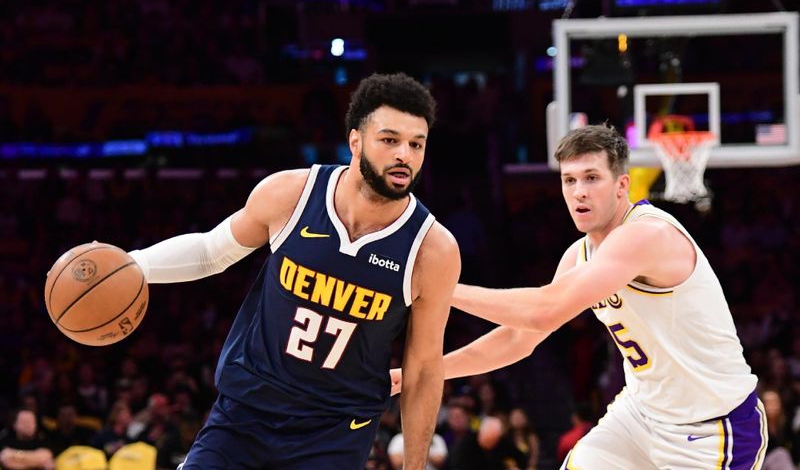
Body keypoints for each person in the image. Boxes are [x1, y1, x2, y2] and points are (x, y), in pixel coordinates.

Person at [126, 73, 460, 469]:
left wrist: (414, 466)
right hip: (245, 414)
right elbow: (210, 252)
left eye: (416, 144)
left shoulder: (433, 249)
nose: (404, 154)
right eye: (390, 140)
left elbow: (422, 368)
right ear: (355, 141)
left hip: (334, 434)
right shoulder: (290, 195)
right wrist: (133, 264)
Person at [393, 123, 766, 469]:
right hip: (640, 415)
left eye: (591, 178)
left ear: (622, 186)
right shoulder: (579, 255)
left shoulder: (646, 235)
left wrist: (443, 289)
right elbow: (521, 338)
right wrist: (427, 371)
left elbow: (545, 311)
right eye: (569, 180)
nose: (579, 191)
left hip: (711, 428)